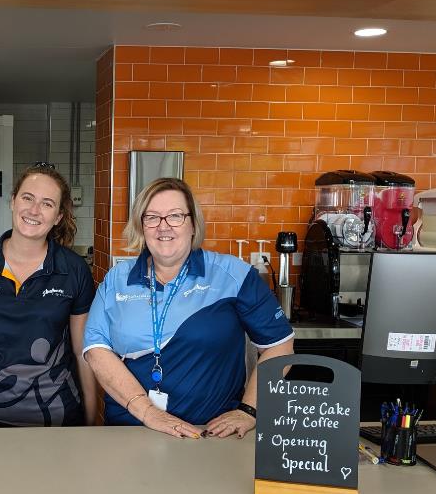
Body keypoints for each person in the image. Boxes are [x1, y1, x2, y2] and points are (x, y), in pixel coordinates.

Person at [83, 177, 294, 439]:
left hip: (209, 434)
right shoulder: (117, 278)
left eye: (175, 216)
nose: (163, 227)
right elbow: (95, 350)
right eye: (152, 217)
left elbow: (279, 344)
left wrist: (249, 410)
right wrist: (149, 413)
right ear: (141, 225)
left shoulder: (234, 276)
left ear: (193, 224)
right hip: (130, 430)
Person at [0, 164, 98, 427]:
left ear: (58, 217)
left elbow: (82, 350)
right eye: (28, 198)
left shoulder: (74, 270)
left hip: (57, 418)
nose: (34, 210)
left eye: (47, 204)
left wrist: (92, 418)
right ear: (13, 201)